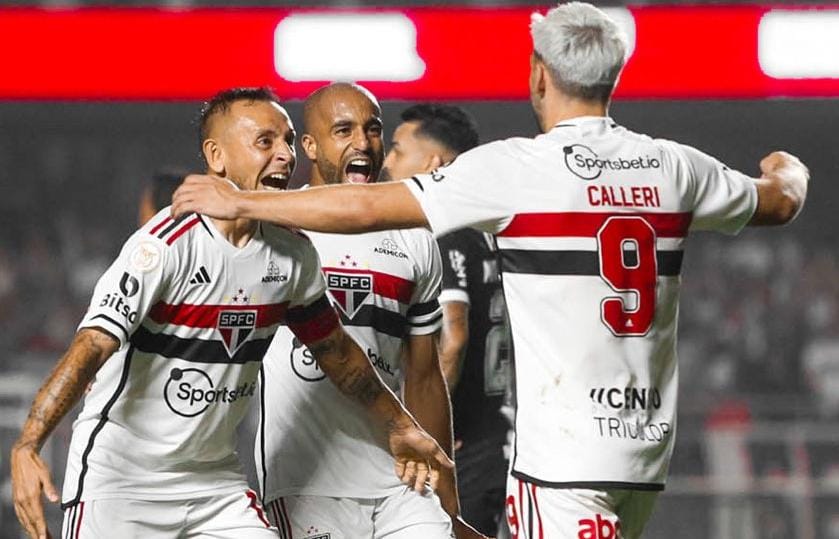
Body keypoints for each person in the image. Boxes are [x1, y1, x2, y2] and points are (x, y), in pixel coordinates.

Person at [171, 2, 810, 536]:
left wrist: (242, 200)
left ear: (539, 75)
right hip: (643, 458)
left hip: (561, 466)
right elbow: (780, 199)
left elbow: (366, 207)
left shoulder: (517, 170)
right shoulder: (675, 166)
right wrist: (788, 164)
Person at [10, 87, 450, 539]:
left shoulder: (293, 254)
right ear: (217, 157)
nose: (284, 156)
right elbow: (90, 346)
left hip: (214, 484)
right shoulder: (166, 246)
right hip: (122, 483)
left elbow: (337, 353)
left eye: (287, 141)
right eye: (265, 142)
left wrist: (400, 426)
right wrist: (28, 444)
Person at [257, 82, 480, 539]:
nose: (363, 142)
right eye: (344, 130)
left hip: (400, 478)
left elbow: (424, 376)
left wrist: (448, 493)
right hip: (305, 483)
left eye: (373, 129)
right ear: (310, 146)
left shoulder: (414, 237)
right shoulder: (275, 228)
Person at [381, 104, 512, 537]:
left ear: (433, 164)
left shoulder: (443, 230)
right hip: (501, 433)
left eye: (398, 150)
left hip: (463, 442)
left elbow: (453, 337)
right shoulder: (489, 229)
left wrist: (428, 430)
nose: (388, 161)